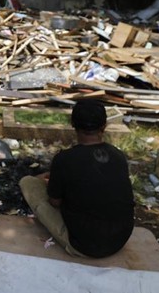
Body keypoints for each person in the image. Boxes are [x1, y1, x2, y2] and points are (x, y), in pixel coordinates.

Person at [19, 99, 135, 258]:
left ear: (73, 124)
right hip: (121, 238)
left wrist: (47, 182)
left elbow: (55, 202)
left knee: (27, 182)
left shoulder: (64, 159)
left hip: (84, 246)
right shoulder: (118, 156)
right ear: (104, 126)